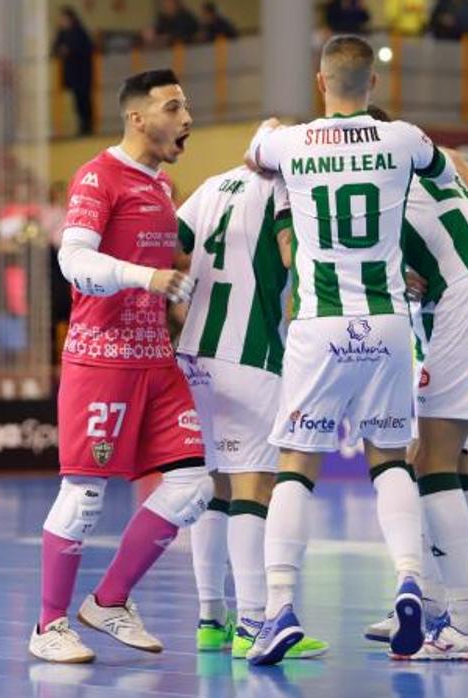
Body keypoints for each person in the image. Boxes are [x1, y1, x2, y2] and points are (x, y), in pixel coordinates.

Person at [243, 35, 468, 665]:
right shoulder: (403, 139)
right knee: (391, 459)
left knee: (296, 463)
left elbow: (254, 151)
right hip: (389, 324)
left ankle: (279, 607)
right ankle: (408, 583)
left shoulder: (290, 144)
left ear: (321, 83)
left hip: (320, 327)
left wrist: (274, 129)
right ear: (373, 85)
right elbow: (447, 178)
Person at [29, 69, 203, 664]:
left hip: (156, 360)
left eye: (186, 107)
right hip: (100, 361)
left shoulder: (162, 186)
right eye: (174, 107)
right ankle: (49, 624)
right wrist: (145, 277)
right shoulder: (98, 176)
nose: (187, 119)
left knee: (191, 486)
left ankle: (108, 601)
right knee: (83, 496)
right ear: (137, 117)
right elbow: (73, 260)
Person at [356, 105, 468, 661]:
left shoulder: (373, 184)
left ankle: (462, 620)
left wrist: (411, 270)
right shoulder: (449, 159)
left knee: (431, 458)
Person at [175, 165, 327, 660]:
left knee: (214, 483)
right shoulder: (283, 184)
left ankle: (209, 618)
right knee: (254, 485)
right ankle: (254, 624)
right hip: (250, 353)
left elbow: (166, 242)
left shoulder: (212, 184)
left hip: (193, 353)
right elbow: (293, 254)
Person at [52, 6, 95, 136]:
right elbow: (54, 49)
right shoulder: (61, 33)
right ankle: (82, 125)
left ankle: (88, 126)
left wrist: (70, 50)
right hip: (71, 74)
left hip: (83, 72)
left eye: (64, 18)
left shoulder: (80, 32)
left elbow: (88, 48)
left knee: (84, 99)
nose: (61, 21)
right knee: (77, 101)